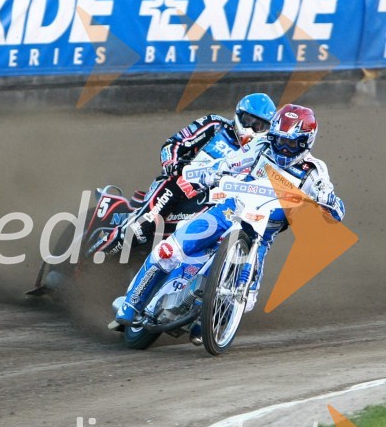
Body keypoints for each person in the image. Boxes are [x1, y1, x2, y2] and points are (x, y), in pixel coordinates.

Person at [113, 104, 345, 344]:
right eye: (280, 141)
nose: (283, 148)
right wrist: (203, 174)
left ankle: (210, 321)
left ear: (306, 142)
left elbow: (335, 215)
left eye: (291, 144)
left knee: (248, 299)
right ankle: (132, 303)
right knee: (168, 250)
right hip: (227, 212)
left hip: (262, 234)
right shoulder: (261, 145)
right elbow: (230, 164)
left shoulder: (314, 172)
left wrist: (329, 203)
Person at [102, 93, 276, 257]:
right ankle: (89, 261)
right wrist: (172, 164)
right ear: (238, 115)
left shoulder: (263, 153)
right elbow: (174, 143)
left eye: (259, 125)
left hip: (221, 203)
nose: (251, 128)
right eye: (248, 121)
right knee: (142, 228)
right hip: (179, 188)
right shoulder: (215, 125)